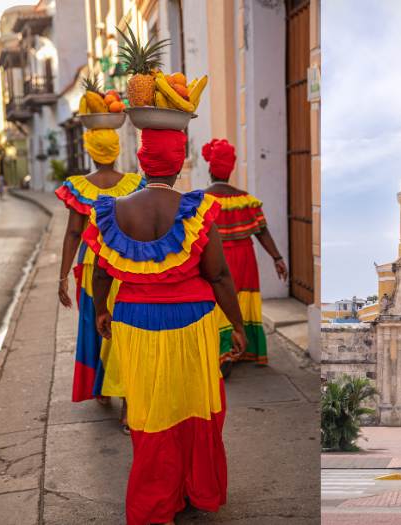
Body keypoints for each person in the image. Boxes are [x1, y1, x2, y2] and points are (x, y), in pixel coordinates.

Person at [85, 128, 246, 525]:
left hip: (135, 322)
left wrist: (102, 311)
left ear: (141, 162)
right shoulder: (197, 209)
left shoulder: (114, 210)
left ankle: (156, 501)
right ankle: (195, 489)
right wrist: (237, 324)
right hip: (192, 322)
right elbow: (219, 275)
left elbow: (102, 271)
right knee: (194, 406)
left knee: (150, 412)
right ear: (179, 164)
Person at [55, 128, 145, 406]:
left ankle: (103, 388)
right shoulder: (134, 184)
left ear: (91, 152)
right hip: (125, 263)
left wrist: (63, 277)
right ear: (116, 151)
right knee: (124, 322)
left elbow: (73, 233)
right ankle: (127, 391)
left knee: (94, 323)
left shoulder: (80, 188)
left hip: (92, 265)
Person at [202, 138, 287, 370]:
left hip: (215, 258)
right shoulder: (245, 200)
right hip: (245, 258)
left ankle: (223, 353)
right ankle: (248, 350)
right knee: (243, 299)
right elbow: (262, 231)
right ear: (230, 170)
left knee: (219, 301)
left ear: (210, 168)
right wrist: (277, 258)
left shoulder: (201, 201)